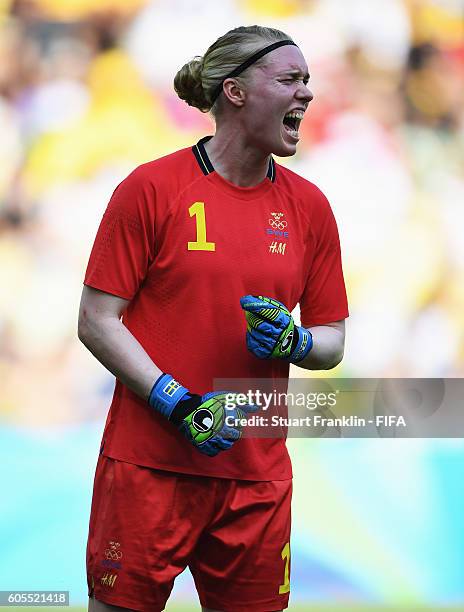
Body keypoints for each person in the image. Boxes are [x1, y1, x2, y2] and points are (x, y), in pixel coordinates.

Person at [78, 24, 348, 612]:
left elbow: (332, 342)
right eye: (289, 79)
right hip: (149, 467)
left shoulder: (310, 209)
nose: (306, 94)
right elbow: (97, 319)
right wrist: (176, 401)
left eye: (308, 81)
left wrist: (296, 341)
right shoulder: (151, 188)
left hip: (256, 476)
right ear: (235, 92)